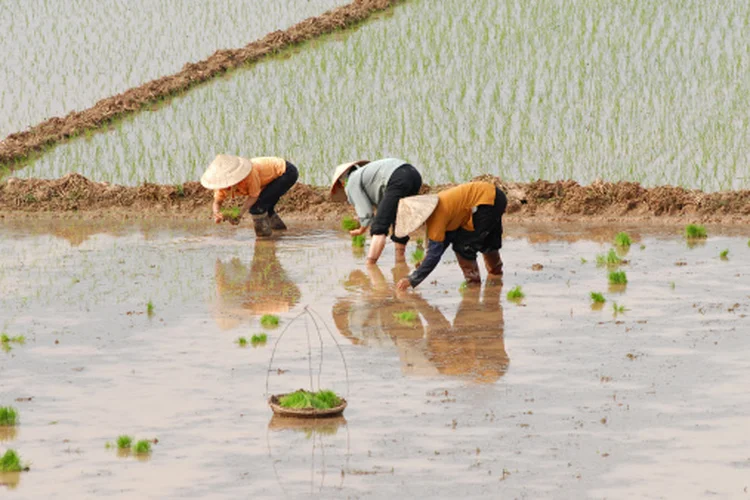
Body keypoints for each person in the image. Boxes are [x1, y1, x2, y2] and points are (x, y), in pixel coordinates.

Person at [395, 182, 506, 290]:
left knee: (463, 247)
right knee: (486, 240)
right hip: (494, 196)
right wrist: (425, 262)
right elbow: (446, 239)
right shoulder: (440, 203)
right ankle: (496, 276)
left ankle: (473, 286)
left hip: (486, 205)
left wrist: (412, 279)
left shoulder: (436, 218)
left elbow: (435, 254)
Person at [330, 158, 422, 264]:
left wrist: (362, 229)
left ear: (341, 183)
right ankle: (400, 260)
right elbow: (383, 205)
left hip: (397, 177)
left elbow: (366, 212)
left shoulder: (351, 181)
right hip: (414, 175)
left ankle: (370, 265)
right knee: (399, 219)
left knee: (379, 227)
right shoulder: (365, 175)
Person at [200, 154, 299, 237]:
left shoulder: (249, 175)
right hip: (271, 177)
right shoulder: (222, 186)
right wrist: (217, 213)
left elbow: (254, 196)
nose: (226, 188)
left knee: (257, 208)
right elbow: (217, 202)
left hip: (286, 172)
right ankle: (279, 232)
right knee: (265, 207)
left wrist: (240, 213)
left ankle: (264, 242)